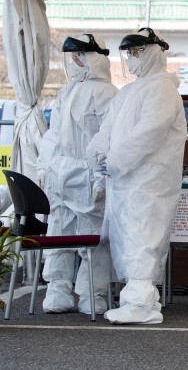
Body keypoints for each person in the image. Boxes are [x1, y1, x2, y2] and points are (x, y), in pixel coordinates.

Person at [87, 27, 187, 324]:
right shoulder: (128, 92)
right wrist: (98, 152)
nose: (132, 58)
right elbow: (107, 129)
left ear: (155, 53)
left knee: (144, 238)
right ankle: (134, 300)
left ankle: (143, 305)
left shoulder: (163, 90)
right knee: (127, 239)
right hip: (125, 181)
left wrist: (116, 160)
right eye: (129, 53)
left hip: (149, 182)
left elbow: (149, 133)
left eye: (138, 52)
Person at [36, 33, 118, 314]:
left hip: (88, 178)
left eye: (78, 57)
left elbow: (109, 139)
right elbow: (54, 135)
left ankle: (91, 292)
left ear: (91, 59)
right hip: (61, 176)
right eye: (71, 58)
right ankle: (57, 289)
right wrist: (43, 166)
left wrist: (100, 176)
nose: (74, 63)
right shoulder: (66, 92)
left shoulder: (108, 95)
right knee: (60, 229)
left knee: (93, 237)